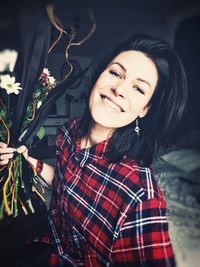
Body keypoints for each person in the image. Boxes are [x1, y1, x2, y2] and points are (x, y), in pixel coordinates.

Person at [0, 33, 187, 266]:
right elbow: (64, 183)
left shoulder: (140, 194)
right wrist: (28, 159)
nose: (119, 89)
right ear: (100, 75)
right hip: (47, 242)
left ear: (144, 109)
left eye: (138, 89)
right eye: (116, 73)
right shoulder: (70, 130)